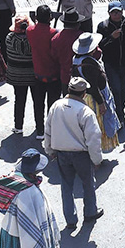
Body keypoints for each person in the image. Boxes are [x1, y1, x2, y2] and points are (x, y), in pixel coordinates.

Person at [44, 77, 104, 227]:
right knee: (88, 184)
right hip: (81, 155)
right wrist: (97, 160)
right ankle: (90, 212)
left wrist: (49, 149)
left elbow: (48, 130)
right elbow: (93, 138)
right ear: (84, 94)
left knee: (66, 186)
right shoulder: (85, 112)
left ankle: (70, 220)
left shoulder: (56, 106)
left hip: (61, 154)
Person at [28, 6, 59, 140]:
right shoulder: (54, 33)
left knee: (38, 103)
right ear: (50, 18)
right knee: (52, 104)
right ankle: (50, 129)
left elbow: (32, 27)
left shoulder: (30, 31)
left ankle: (39, 129)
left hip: (38, 73)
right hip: (53, 74)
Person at [4, 16, 36, 137]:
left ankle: (18, 126)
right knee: (37, 101)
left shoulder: (9, 38)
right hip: (33, 74)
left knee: (19, 100)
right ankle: (39, 128)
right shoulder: (33, 39)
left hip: (16, 76)